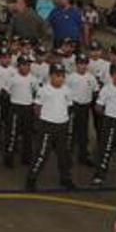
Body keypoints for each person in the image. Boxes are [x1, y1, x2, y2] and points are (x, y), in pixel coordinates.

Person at [25, 63, 74, 191]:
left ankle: (65, 178)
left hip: (62, 126)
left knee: (63, 155)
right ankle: (31, 178)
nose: (60, 79)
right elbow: (37, 108)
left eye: (63, 76)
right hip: (47, 126)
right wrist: (43, 121)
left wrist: (62, 118)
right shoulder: (44, 90)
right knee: (41, 154)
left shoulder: (67, 90)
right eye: (58, 76)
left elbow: (69, 106)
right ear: (51, 76)